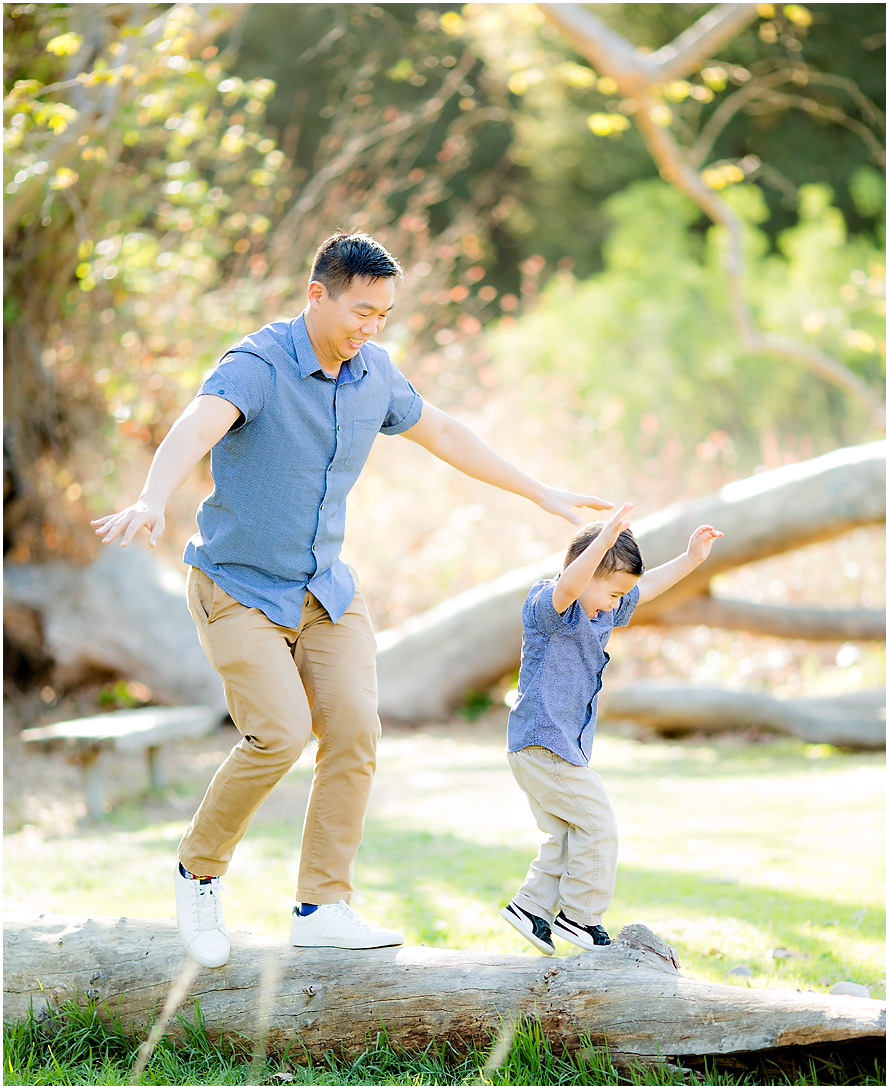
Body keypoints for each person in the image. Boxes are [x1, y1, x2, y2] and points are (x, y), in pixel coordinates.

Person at [92, 230, 612, 968]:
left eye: (383, 315)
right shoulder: (259, 363)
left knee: (356, 733)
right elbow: (196, 425)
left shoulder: (376, 374)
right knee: (277, 732)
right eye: (361, 311)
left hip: (325, 591)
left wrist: (540, 491)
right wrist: (151, 495)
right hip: (236, 588)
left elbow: (445, 432)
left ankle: (321, 906)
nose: (371, 327)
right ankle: (198, 874)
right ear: (317, 294)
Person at [503, 501, 723, 955]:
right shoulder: (551, 608)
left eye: (622, 596)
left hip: (551, 748)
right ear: (586, 574)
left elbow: (649, 587)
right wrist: (602, 540)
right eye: (611, 592)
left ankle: (531, 908)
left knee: (568, 836)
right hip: (545, 744)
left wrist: (691, 560)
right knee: (599, 826)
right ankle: (580, 919)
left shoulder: (603, 611)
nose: (616, 603)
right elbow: (570, 583)